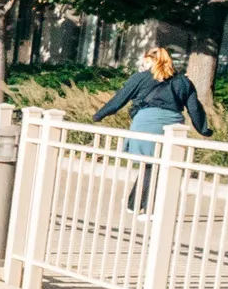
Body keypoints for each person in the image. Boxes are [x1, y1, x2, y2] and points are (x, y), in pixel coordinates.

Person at [91, 45, 215, 207]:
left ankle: (141, 206)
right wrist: (204, 129)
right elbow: (194, 109)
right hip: (173, 127)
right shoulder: (183, 82)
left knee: (149, 165)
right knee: (160, 166)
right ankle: (137, 204)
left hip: (145, 123)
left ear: (149, 60)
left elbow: (119, 99)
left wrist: (98, 115)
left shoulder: (140, 78)